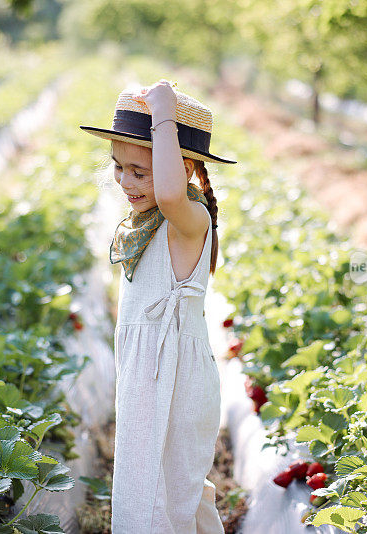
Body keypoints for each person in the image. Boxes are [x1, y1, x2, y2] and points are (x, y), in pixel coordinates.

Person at [79, 79, 237, 533]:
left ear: (183, 167)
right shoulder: (146, 226)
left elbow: (169, 193)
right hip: (149, 375)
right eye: (119, 167)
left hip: (176, 380)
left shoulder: (186, 218)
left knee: (166, 494)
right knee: (154, 486)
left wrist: (164, 113)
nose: (126, 181)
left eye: (140, 171)